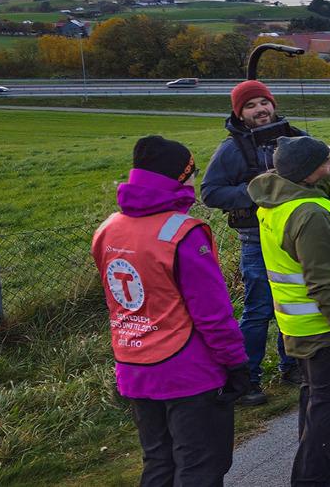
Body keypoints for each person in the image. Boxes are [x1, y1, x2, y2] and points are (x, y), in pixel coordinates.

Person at [97, 136, 249, 487]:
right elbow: (212, 314)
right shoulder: (183, 233)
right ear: (180, 178)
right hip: (188, 369)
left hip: (133, 364)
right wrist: (236, 362)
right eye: (193, 172)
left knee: (158, 462)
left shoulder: (108, 228)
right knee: (201, 465)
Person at [251, 136, 330, 487]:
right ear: (306, 174)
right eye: (325, 163)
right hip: (325, 327)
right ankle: (312, 476)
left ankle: (316, 457)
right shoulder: (310, 215)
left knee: (315, 394)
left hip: (298, 323)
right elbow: (323, 283)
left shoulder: (278, 203)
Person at [201, 79, 307, 404]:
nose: (260, 110)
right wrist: (255, 192)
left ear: (273, 104)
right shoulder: (232, 149)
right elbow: (210, 192)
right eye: (250, 105)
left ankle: (293, 366)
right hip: (256, 240)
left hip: (295, 235)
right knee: (259, 309)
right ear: (239, 112)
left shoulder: (295, 137)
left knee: (293, 304)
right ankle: (248, 380)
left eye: (264, 102)